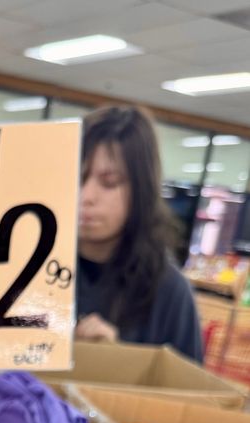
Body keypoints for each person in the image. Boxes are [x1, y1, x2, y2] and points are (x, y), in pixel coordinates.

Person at [76, 105, 203, 362]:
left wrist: (118, 363)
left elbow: (186, 384)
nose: (86, 196)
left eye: (109, 182)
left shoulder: (169, 292)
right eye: (78, 178)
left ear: (141, 189)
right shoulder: (29, 266)